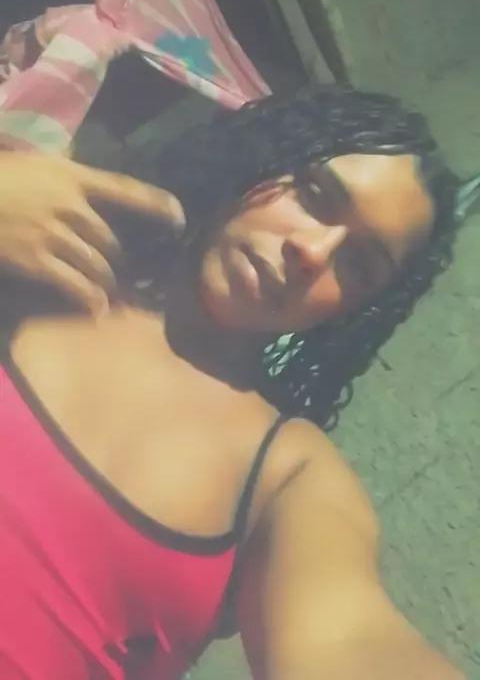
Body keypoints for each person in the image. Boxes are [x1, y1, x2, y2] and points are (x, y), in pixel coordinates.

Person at [0, 85, 464, 679]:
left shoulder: (287, 477)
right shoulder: (43, 252)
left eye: (358, 264)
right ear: (263, 157)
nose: (313, 252)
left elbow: (352, 640)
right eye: (315, 195)